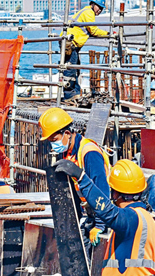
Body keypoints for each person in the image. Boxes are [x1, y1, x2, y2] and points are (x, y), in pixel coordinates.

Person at [39, 107, 110, 255]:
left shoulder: (89, 152)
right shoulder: (68, 153)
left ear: (66, 133)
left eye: (54, 140)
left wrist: (100, 225)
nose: (53, 145)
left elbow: (102, 190)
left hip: (105, 215)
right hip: (90, 214)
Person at [61, 0, 110, 99]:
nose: (99, 10)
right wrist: (108, 33)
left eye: (101, 8)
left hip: (70, 42)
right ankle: (69, 95)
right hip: (71, 43)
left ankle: (76, 93)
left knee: (75, 68)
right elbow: (93, 30)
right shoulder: (89, 12)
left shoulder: (85, 11)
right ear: (92, 4)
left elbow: (89, 29)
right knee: (70, 69)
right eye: (99, 7)